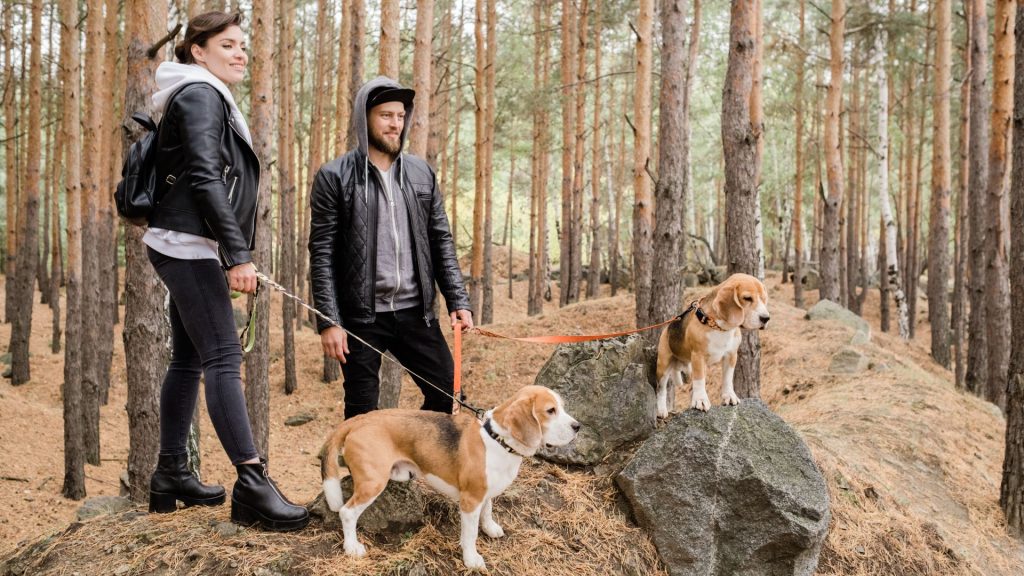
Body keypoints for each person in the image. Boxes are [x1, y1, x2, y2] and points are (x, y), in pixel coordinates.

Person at [144, 11, 308, 532]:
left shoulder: (201, 93)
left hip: (187, 242)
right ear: (198, 50)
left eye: (243, 46)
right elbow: (205, 176)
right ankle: (253, 483)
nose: (240, 54)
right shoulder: (200, 95)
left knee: (190, 357)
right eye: (228, 45)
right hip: (189, 245)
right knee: (223, 354)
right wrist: (238, 254)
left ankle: (172, 472)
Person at [308, 76, 473, 420]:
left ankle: (410, 457)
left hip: (417, 313)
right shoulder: (335, 176)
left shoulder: (420, 173)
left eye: (400, 116)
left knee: (448, 395)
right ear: (364, 118)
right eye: (386, 115)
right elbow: (321, 254)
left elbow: (440, 239)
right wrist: (329, 321)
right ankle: (365, 474)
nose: (395, 123)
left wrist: (457, 299)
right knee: (361, 412)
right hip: (361, 316)